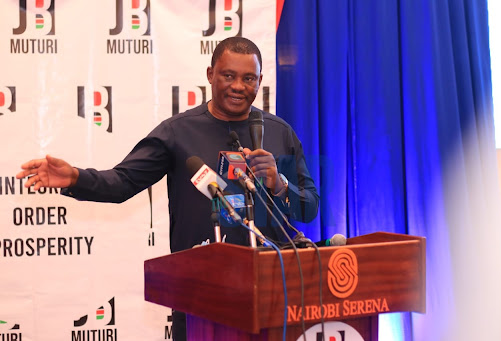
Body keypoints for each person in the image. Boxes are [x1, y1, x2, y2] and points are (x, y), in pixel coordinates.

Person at [16, 37, 319, 340]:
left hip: (275, 293)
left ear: (260, 81)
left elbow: (309, 207)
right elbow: (122, 182)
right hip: (202, 293)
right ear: (210, 74)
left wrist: (280, 185)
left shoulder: (279, 133)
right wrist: (75, 178)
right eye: (228, 75)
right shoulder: (178, 132)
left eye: (248, 78)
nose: (238, 86)